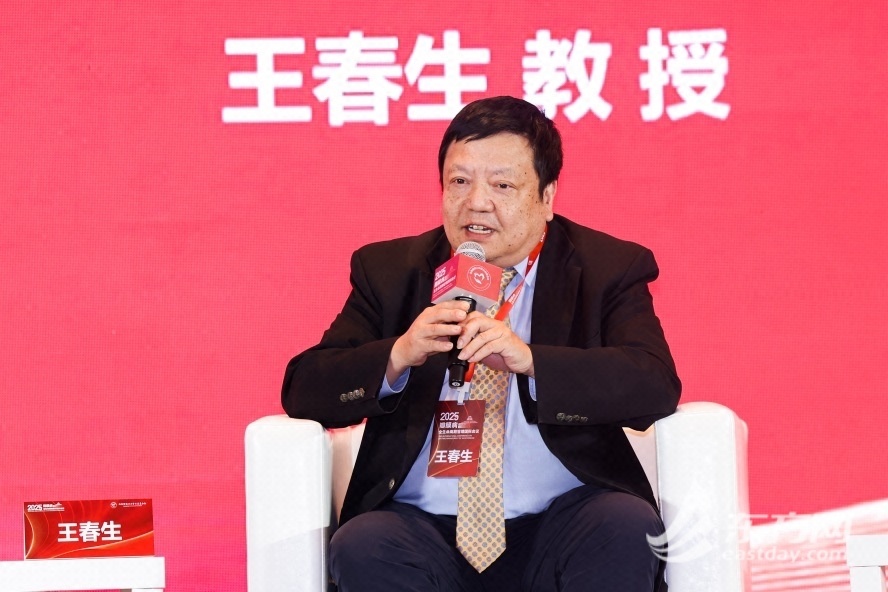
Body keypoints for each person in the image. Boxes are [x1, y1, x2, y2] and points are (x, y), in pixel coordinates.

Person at [282, 96, 681, 592]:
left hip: (564, 522)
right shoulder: (390, 271)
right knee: (363, 544)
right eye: (459, 181)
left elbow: (653, 385)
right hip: (422, 530)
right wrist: (398, 356)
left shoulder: (607, 268)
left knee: (623, 526)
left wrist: (533, 363)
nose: (476, 202)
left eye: (502, 185)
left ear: (547, 196)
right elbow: (305, 388)